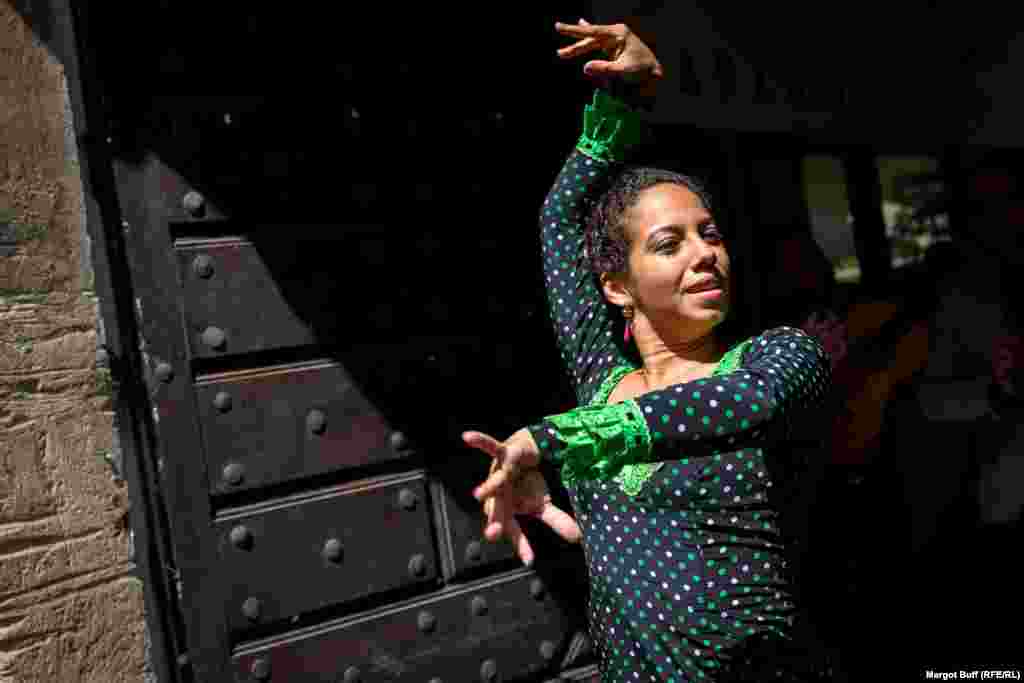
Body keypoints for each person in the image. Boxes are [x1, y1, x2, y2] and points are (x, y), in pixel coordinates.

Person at [462, 20, 833, 682]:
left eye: (710, 234)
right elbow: (558, 220)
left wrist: (557, 440)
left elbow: (739, 406)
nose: (703, 254)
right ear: (614, 284)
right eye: (670, 243)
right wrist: (624, 99)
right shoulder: (602, 378)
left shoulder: (776, 360)